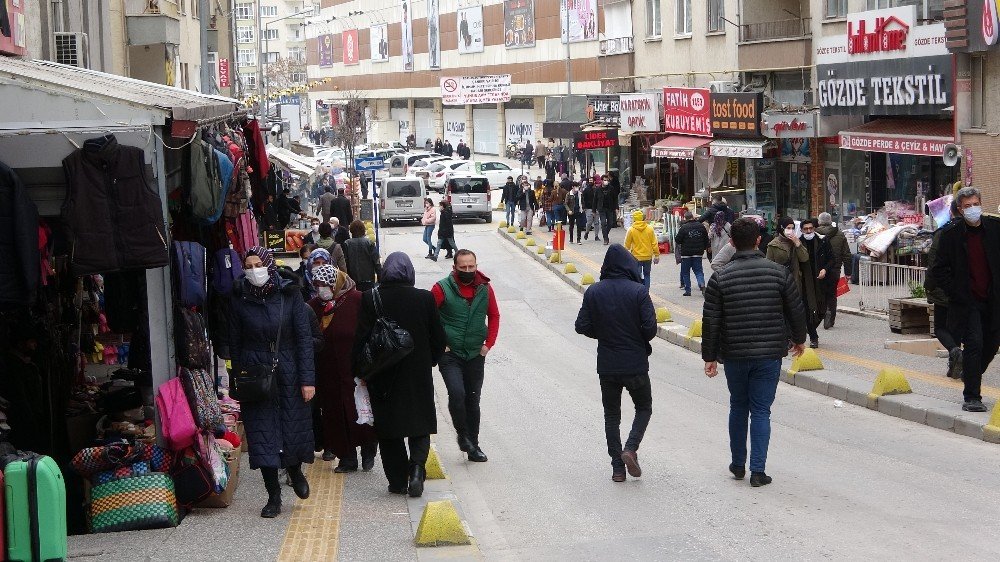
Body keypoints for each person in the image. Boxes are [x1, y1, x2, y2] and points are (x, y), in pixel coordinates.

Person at [702, 218, 807, 488]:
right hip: (769, 354)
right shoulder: (778, 273)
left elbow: (711, 320)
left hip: (735, 353)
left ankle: (738, 464)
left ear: (732, 243)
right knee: (761, 410)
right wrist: (799, 339)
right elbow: (795, 310)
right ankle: (758, 471)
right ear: (758, 240)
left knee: (738, 406)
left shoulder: (720, 278)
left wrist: (709, 357)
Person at [228, 247, 316, 518]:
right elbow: (234, 342)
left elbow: (304, 340)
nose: (254, 270)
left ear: (269, 265)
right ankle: (273, 496)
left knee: (291, 428)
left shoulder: (290, 296)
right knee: (262, 434)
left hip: (288, 371)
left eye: (258, 264)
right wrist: (241, 376)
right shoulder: (239, 299)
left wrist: (307, 379)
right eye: (249, 265)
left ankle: (294, 470)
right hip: (256, 375)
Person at [353, 253, 446, 496]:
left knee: (389, 430)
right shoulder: (424, 298)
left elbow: (361, 339)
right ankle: (416, 470)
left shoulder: (370, 298)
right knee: (419, 425)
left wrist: (359, 371)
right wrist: (430, 361)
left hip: (383, 374)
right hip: (417, 373)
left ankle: (397, 481)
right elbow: (438, 337)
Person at [574, 244, 656, 482]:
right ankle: (630, 448)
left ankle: (617, 469)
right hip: (635, 363)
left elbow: (582, 326)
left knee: (612, 415)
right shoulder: (639, 291)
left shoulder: (594, 292)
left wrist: (603, 333)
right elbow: (650, 329)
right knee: (644, 407)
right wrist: (635, 336)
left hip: (607, 364)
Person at [930, 187, 1000, 412]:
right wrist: (955, 293)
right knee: (975, 344)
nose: (972, 209)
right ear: (960, 209)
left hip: (992, 299)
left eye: (975, 204)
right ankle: (972, 396)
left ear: (981, 203)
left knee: (991, 344)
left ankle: (970, 374)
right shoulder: (951, 234)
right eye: (967, 206)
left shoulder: (995, 229)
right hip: (967, 302)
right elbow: (938, 270)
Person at [308, 265, 378, 473]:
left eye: (326, 284)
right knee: (334, 414)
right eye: (318, 285)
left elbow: (371, 332)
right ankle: (347, 457)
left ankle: (368, 450)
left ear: (336, 283)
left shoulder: (358, 300)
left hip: (356, 370)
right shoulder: (313, 307)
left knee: (360, 411)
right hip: (327, 372)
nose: (322, 289)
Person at [433, 250, 500, 462]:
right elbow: (427, 315)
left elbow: (494, 315)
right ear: (455, 268)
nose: (468, 271)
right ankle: (462, 435)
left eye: (471, 266)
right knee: (457, 393)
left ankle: (474, 445)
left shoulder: (485, 288)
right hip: (450, 354)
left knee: (473, 400)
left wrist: (488, 345)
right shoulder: (441, 288)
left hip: (475, 354)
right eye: (463, 267)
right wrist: (439, 344)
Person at [766, 218, 820, 348]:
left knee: (803, 311)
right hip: (780, 283)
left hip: (797, 283)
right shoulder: (773, 245)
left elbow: (804, 258)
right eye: (787, 227)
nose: (790, 230)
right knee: (784, 312)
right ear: (781, 228)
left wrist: (797, 243)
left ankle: (813, 336)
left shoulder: (797, 242)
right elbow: (769, 265)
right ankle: (788, 338)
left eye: (791, 227)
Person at [925, 200, 963, 379]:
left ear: (951, 211)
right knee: (956, 328)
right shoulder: (974, 232)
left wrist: (929, 287)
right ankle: (954, 365)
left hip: (943, 287)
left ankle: (954, 351)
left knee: (940, 327)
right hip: (965, 290)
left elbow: (934, 263)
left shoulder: (944, 233)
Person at [797, 219, 832, 348]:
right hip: (805, 281)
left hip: (821, 280)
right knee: (808, 310)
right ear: (801, 230)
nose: (808, 231)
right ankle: (813, 336)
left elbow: (831, 259)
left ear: (814, 228)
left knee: (822, 309)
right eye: (805, 229)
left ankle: (811, 327)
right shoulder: (798, 242)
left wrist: (825, 269)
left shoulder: (823, 241)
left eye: (810, 228)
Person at [816, 212, 851, 329]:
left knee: (820, 293)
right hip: (835, 269)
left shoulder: (814, 234)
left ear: (819, 221)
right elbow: (847, 255)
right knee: (831, 294)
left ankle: (822, 313)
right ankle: (830, 318)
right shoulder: (840, 234)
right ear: (831, 221)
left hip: (818, 269)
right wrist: (848, 272)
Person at [675, 211, 708, 296]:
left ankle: (688, 290)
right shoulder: (701, 226)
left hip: (686, 253)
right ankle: (702, 285)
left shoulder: (683, 227)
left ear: (685, 218)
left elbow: (678, 240)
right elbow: (706, 238)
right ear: (693, 217)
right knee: (698, 271)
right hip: (698, 253)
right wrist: (705, 247)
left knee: (685, 272)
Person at [343, 220, 382, 292]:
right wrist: (380, 278)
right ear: (363, 230)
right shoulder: (369, 243)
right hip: (368, 279)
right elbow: (376, 262)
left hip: (353, 279)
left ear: (351, 231)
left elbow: (345, 263)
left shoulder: (347, 244)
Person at [624, 210, 660, 289]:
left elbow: (627, 245)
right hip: (648, 256)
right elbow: (654, 243)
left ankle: (638, 292)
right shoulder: (649, 229)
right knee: (647, 275)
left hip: (636, 257)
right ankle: (646, 293)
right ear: (642, 218)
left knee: (637, 276)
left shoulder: (631, 230)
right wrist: (656, 255)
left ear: (634, 219)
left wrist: (625, 257)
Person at [599, 178, 618, 245]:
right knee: (603, 223)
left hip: (610, 208)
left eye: (607, 180)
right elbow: (595, 199)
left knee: (610, 223)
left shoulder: (611, 188)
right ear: (601, 181)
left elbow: (615, 198)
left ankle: (605, 234)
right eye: (604, 180)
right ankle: (605, 238)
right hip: (602, 209)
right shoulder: (598, 189)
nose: (606, 181)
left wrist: (616, 207)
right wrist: (594, 210)